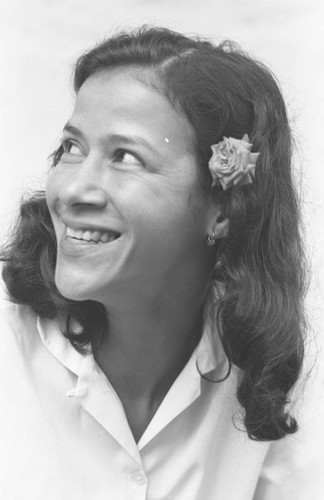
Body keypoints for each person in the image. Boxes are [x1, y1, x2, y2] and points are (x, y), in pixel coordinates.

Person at [0, 26, 321, 499]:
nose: (70, 192)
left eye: (125, 156)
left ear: (223, 211)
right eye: (72, 148)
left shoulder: (284, 375)